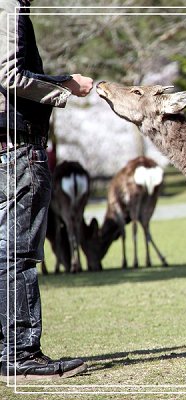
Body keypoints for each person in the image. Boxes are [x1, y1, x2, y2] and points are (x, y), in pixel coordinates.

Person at [0, 0, 93, 381]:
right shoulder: (7, 6)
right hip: (18, 150)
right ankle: (21, 355)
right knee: (16, 253)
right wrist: (62, 86)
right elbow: (10, 75)